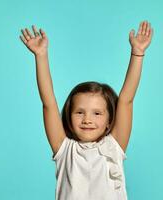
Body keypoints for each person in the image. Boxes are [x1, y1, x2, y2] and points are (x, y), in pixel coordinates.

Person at [19, 20, 153, 200]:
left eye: (97, 113)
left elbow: (126, 101)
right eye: (79, 112)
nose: (87, 119)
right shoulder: (64, 149)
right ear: (68, 116)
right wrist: (41, 56)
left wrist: (137, 53)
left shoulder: (114, 146)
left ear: (109, 121)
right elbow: (48, 103)